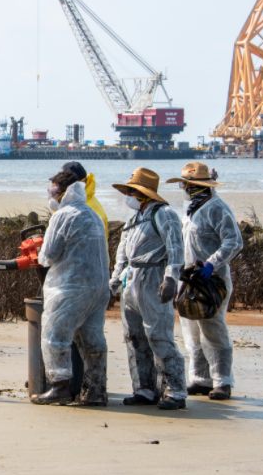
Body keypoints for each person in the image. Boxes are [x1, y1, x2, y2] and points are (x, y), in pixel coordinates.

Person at [108, 168, 187, 410]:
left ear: (144, 194)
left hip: (153, 277)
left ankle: (175, 391)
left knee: (159, 336)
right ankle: (144, 389)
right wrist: (115, 280)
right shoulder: (133, 220)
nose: (128, 195)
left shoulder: (164, 214)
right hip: (130, 279)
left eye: (131, 191)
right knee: (134, 338)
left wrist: (171, 278)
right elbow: (122, 254)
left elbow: (176, 248)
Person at [31, 169, 111, 406]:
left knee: (54, 335)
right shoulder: (92, 214)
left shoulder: (63, 215)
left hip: (71, 287)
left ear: (64, 192)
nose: (51, 196)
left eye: (54, 191)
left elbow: (48, 255)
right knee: (92, 339)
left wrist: (39, 252)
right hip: (98, 288)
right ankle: (96, 390)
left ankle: (60, 386)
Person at [165, 162, 243, 401]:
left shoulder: (217, 207)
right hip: (189, 281)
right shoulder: (191, 209)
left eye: (189, 184)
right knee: (192, 332)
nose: (186, 188)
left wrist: (212, 263)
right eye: (186, 184)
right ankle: (200, 378)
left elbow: (233, 241)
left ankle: (222, 381)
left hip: (212, 280)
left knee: (213, 329)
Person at [59, 162, 109, 245]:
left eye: (61, 182)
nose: (57, 186)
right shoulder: (73, 201)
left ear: (75, 184)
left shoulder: (92, 210)